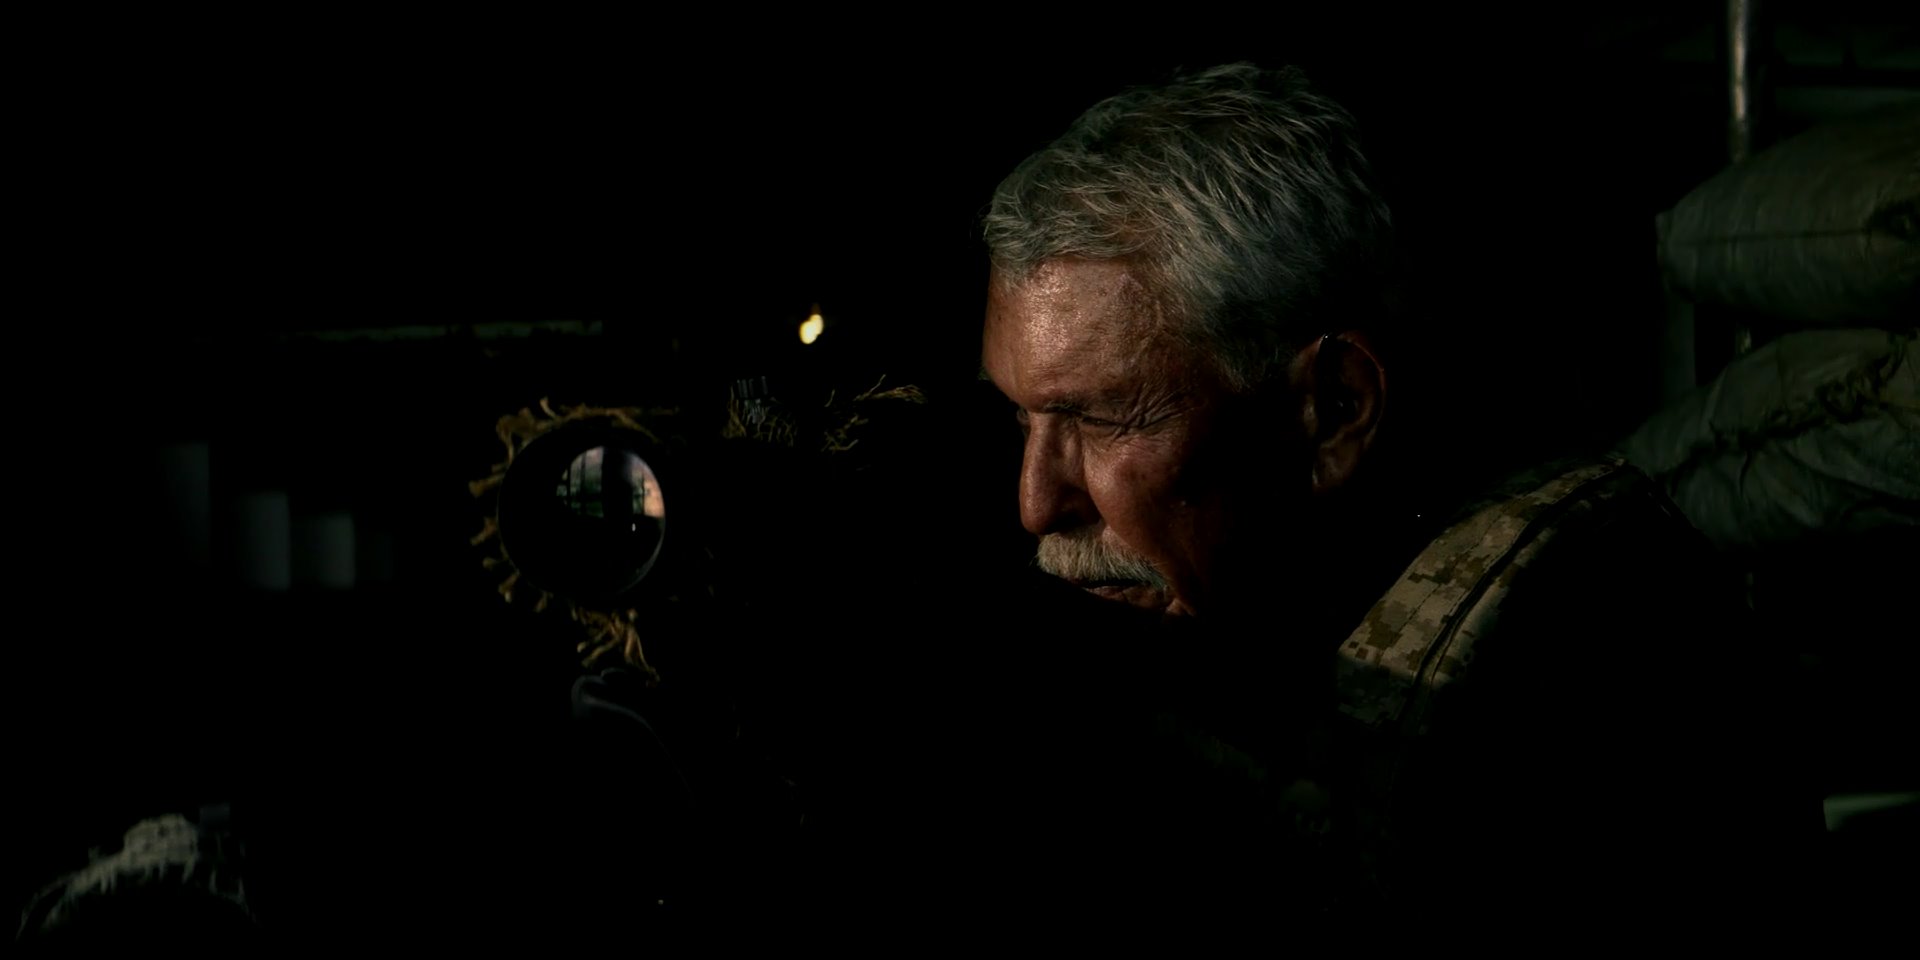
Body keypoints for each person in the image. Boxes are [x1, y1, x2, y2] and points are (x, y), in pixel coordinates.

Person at [976, 62, 1815, 935]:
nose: (1036, 503)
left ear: (1335, 409)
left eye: (1103, 419)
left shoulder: (1577, 672)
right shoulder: (1257, 639)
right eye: (1021, 418)